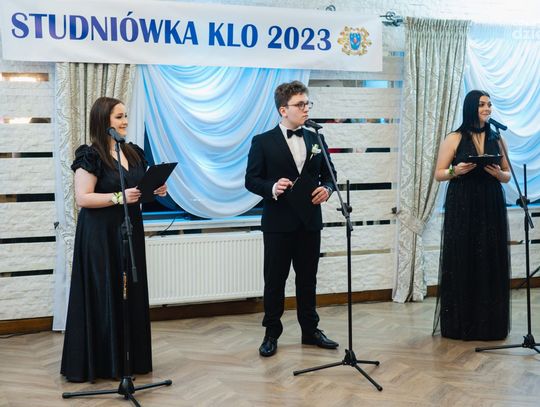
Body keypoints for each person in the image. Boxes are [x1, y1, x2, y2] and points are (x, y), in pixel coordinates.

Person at [61, 97, 167, 382]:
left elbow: (138, 189)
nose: (125, 121)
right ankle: (102, 363)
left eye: (125, 116)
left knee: (131, 292)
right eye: (119, 117)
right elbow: (83, 198)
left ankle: (129, 360)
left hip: (130, 230)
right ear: (103, 121)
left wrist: (156, 190)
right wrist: (119, 197)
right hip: (100, 234)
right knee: (104, 291)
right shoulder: (90, 155)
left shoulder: (133, 152)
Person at [245, 81, 339, 357]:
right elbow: (251, 180)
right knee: (275, 280)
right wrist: (272, 187)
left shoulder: (316, 139)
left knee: (308, 280)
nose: (306, 108)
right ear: (283, 110)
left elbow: (330, 175)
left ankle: (310, 330)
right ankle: (271, 333)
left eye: (308, 103)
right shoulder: (262, 141)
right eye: (300, 104)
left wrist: (327, 190)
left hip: (310, 222)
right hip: (278, 223)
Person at [433, 90, 511, 341]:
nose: (487, 108)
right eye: (481, 105)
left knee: (489, 257)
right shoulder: (454, 137)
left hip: (490, 202)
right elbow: (439, 173)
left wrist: (499, 174)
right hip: (463, 202)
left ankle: (489, 325)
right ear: (470, 108)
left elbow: (508, 174)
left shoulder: (497, 137)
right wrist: (455, 171)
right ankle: (461, 324)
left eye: (489, 104)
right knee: (464, 257)